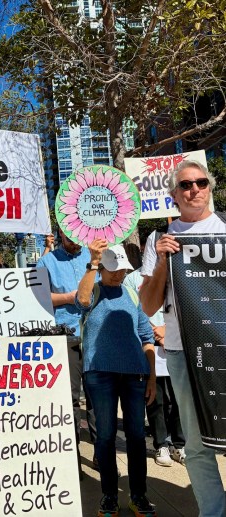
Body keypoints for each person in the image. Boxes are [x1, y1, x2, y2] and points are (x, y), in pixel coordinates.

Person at [140, 159, 226, 517]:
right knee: (196, 443)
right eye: (186, 185)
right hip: (183, 353)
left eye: (201, 183)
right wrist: (161, 262)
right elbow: (147, 305)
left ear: (211, 188)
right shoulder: (159, 239)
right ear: (174, 195)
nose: (194, 190)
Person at [77, 241, 157, 517]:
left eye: (122, 269)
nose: (118, 274)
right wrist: (94, 263)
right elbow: (81, 300)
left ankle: (139, 496)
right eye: (113, 269)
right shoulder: (94, 287)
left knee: (136, 437)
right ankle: (109, 496)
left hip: (135, 374)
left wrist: (152, 378)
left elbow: (147, 339)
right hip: (99, 373)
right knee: (106, 436)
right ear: (102, 268)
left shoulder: (132, 294)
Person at [36, 228, 97, 475]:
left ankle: (102, 454)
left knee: (97, 400)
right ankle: (72, 458)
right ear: (60, 232)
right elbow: (39, 297)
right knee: (69, 400)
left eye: (77, 233)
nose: (73, 237)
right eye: (68, 233)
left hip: (95, 336)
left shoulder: (95, 257)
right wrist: (70, 297)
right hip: (65, 337)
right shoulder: (46, 261)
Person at [124, 268, 185, 468]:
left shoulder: (177, 273)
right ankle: (161, 444)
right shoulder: (132, 278)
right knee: (155, 398)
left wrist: (167, 331)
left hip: (176, 342)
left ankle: (179, 443)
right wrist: (155, 332)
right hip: (151, 345)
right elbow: (131, 309)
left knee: (178, 398)